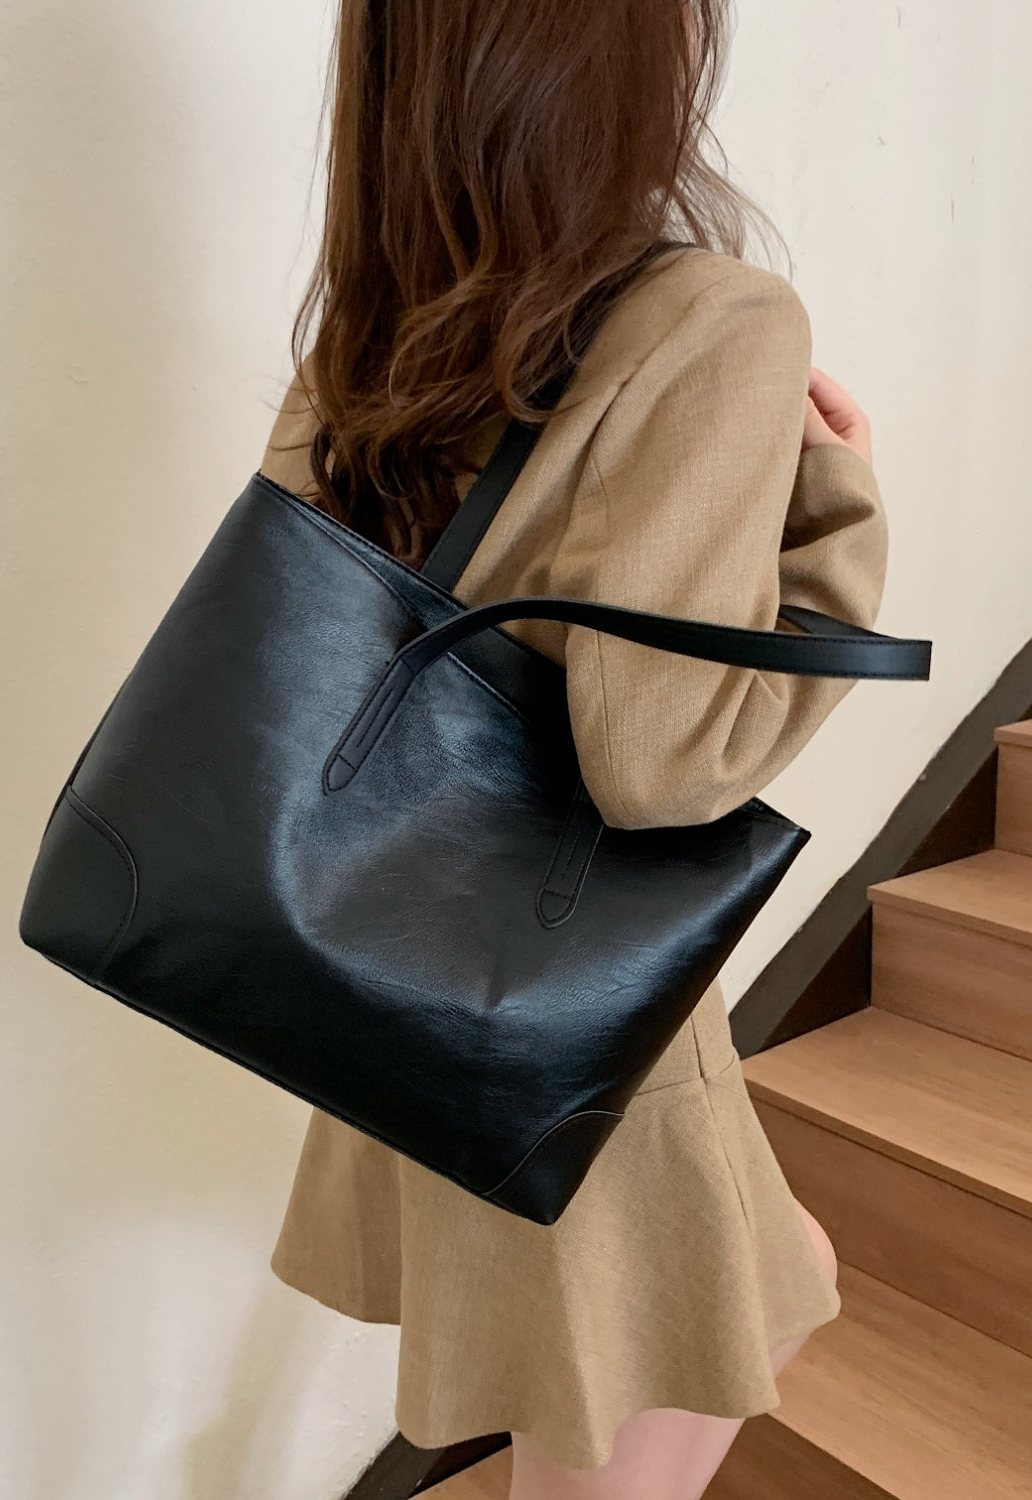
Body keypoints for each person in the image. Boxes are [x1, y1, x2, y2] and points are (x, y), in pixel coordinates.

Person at [258, 3, 887, 1497]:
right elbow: (661, 764)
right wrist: (837, 518)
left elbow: (298, 646)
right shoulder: (713, 321)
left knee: (757, 1294)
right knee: (624, 1421)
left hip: (404, 963)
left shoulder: (366, 336)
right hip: (577, 1011)